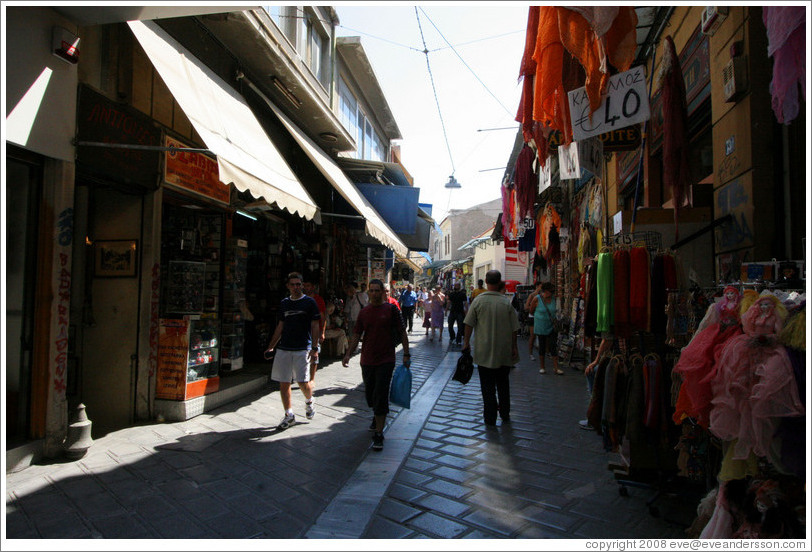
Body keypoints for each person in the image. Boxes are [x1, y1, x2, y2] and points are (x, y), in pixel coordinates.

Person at [342, 279, 411, 451]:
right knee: (371, 394)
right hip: (367, 359)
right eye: (371, 290)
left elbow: (402, 332)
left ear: (382, 292)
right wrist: (348, 353)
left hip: (386, 359)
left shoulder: (391, 309)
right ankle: (377, 414)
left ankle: (379, 433)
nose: (373, 293)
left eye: (376, 290)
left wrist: (406, 354)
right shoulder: (364, 312)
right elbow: (357, 334)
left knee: (380, 393)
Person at [462, 270, 520, 427]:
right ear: (500, 281)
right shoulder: (506, 302)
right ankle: (505, 412)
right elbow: (515, 328)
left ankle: (490, 416)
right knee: (503, 383)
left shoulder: (479, 301)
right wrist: (514, 346)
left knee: (487, 386)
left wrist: (466, 342)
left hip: (484, 350)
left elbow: (469, 324)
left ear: (486, 282)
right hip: (503, 351)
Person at [265, 272, 321, 429]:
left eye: (299, 284)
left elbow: (315, 325)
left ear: (302, 285)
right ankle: (289, 415)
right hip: (284, 348)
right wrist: (271, 345)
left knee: (303, 382)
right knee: (284, 382)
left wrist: (315, 347)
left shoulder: (309, 303)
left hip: (303, 347)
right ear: (288, 286)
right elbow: (281, 325)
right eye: (293, 284)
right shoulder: (284, 303)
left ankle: (309, 400)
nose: (296, 287)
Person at [527, 282, 563, 375]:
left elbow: (557, 311)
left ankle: (556, 367)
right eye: (549, 291)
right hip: (540, 326)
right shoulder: (537, 299)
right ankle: (542, 367)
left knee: (553, 345)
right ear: (545, 291)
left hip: (552, 325)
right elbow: (531, 311)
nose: (551, 293)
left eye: (552, 292)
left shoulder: (554, 299)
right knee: (542, 346)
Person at [580, 334, 614, 430]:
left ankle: (594, 415)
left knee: (592, 373)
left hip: (612, 358)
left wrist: (596, 361)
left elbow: (607, 339)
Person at [303, 278, 326, 382]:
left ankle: (312, 379)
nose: (306, 288)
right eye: (305, 286)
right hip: (303, 331)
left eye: (308, 286)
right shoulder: (300, 299)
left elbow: (323, 317)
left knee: (314, 354)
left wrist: (322, 332)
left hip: (315, 331)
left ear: (312, 287)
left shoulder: (318, 300)